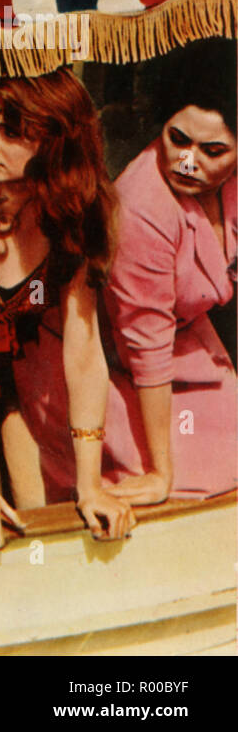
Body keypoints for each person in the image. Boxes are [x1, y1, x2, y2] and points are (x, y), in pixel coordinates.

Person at [0, 72, 136, 555]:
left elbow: (83, 351)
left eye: (11, 132)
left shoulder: (78, 209)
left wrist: (90, 483)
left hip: (20, 386)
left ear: (56, 142)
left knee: (48, 527)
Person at [102, 39, 237, 503]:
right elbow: (146, 345)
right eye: (177, 139)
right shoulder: (141, 206)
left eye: (212, 150)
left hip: (195, 350)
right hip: (123, 367)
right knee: (191, 488)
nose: (186, 161)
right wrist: (160, 473)